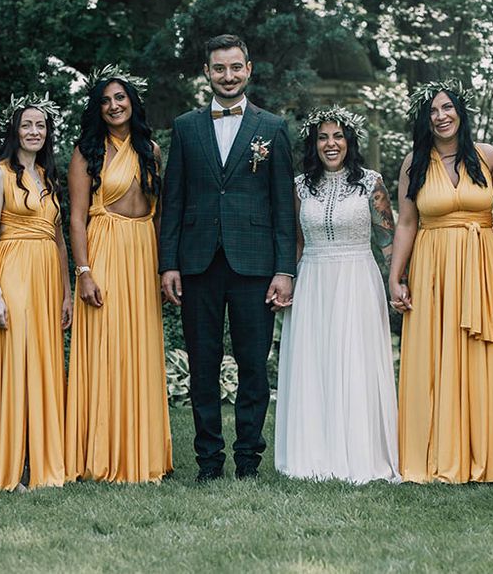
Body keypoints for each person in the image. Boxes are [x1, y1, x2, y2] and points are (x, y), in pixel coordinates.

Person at [160, 34, 296, 482]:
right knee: (202, 363)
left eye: (235, 67)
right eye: (219, 68)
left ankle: (249, 462)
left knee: (253, 364)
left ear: (249, 69)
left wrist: (284, 269)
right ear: (207, 72)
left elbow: (282, 206)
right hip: (197, 262)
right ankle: (208, 462)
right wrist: (169, 264)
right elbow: (173, 201)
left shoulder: (272, 128)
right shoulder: (185, 127)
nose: (228, 76)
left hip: (254, 265)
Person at [389, 81, 493, 483]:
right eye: (433, 111)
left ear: (460, 112)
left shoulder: (489, 158)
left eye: (447, 108)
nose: (441, 116)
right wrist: (396, 278)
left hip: (482, 267)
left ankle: (490, 456)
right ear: (425, 120)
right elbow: (407, 222)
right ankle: (437, 452)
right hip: (433, 269)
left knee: (486, 355)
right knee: (435, 356)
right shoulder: (415, 162)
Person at [274, 107, 400, 484]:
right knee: (315, 362)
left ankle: (361, 452)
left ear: (350, 141)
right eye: (323, 138)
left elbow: (388, 240)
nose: (331, 144)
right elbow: (296, 241)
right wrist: (287, 280)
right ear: (314, 143)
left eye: (338, 136)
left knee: (355, 362)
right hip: (313, 278)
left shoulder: (370, 183)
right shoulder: (300, 186)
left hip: (357, 279)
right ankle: (314, 452)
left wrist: (397, 283)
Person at [65, 66, 172, 483]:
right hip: (104, 249)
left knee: (141, 348)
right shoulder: (86, 152)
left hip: (143, 250)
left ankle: (142, 454)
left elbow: (160, 214)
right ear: (98, 108)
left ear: (132, 103)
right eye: (106, 100)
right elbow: (75, 218)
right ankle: (101, 454)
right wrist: (85, 271)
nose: (114, 106)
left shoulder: (152, 150)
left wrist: (165, 268)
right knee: (106, 349)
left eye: (120, 98)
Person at [0, 93, 71, 492]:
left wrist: (67, 293)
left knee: (45, 367)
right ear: (15, 130)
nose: (34, 131)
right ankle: (9, 470)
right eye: (27, 125)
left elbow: (60, 240)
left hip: (48, 278)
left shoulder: (49, 179)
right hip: (13, 273)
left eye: (41, 126)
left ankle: (44, 464)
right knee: (16, 366)